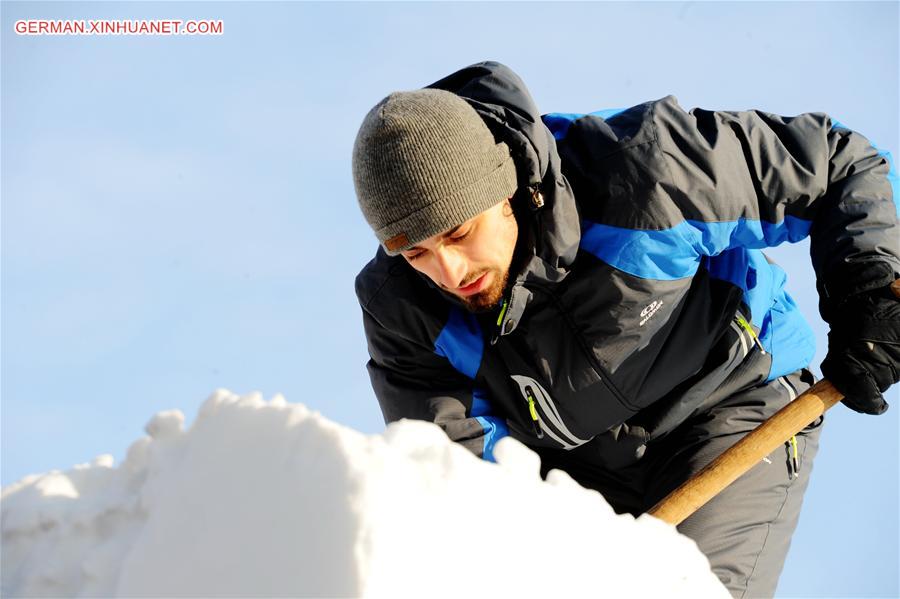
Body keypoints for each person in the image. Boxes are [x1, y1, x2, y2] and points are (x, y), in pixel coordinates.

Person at [351, 60, 900, 597]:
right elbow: (460, 466)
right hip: (575, 469)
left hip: (730, 404)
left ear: (506, 190)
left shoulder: (643, 175)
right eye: (416, 251)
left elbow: (840, 164)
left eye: (459, 233)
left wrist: (870, 296)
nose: (449, 272)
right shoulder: (404, 310)